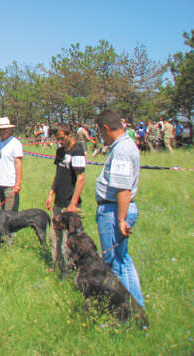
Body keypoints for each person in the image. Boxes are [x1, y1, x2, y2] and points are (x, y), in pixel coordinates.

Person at [94, 109, 144, 309]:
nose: (99, 136)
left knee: (114, 262)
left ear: (106, 128)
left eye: (99, 131)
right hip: (117, 210)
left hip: (114, 211)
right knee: (123, 261)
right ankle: (135, 307)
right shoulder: (124, 146)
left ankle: (125, 310)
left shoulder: (122, 150)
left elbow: (123, 188)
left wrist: (121, 219)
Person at [45, 123, 86, 273]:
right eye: (58, 139)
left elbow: (80, 178)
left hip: (70, 204)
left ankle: (69, 272)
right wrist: (51, 194)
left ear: (70, 134)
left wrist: (73, 204)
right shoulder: (60, 151)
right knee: (53, 237)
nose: (60, 141)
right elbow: (58, 174)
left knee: (68, 242)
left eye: (62, 138)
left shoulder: (77, 152)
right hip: (58, 202)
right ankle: (57, 266)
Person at [0, 117, 23, 213]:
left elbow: (18, 164)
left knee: (10, 215)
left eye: (5, 129)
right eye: (0, 129)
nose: (2, 131)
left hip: (10, 185)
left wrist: (18, 184)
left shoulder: (15, 143)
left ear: (10, 129)